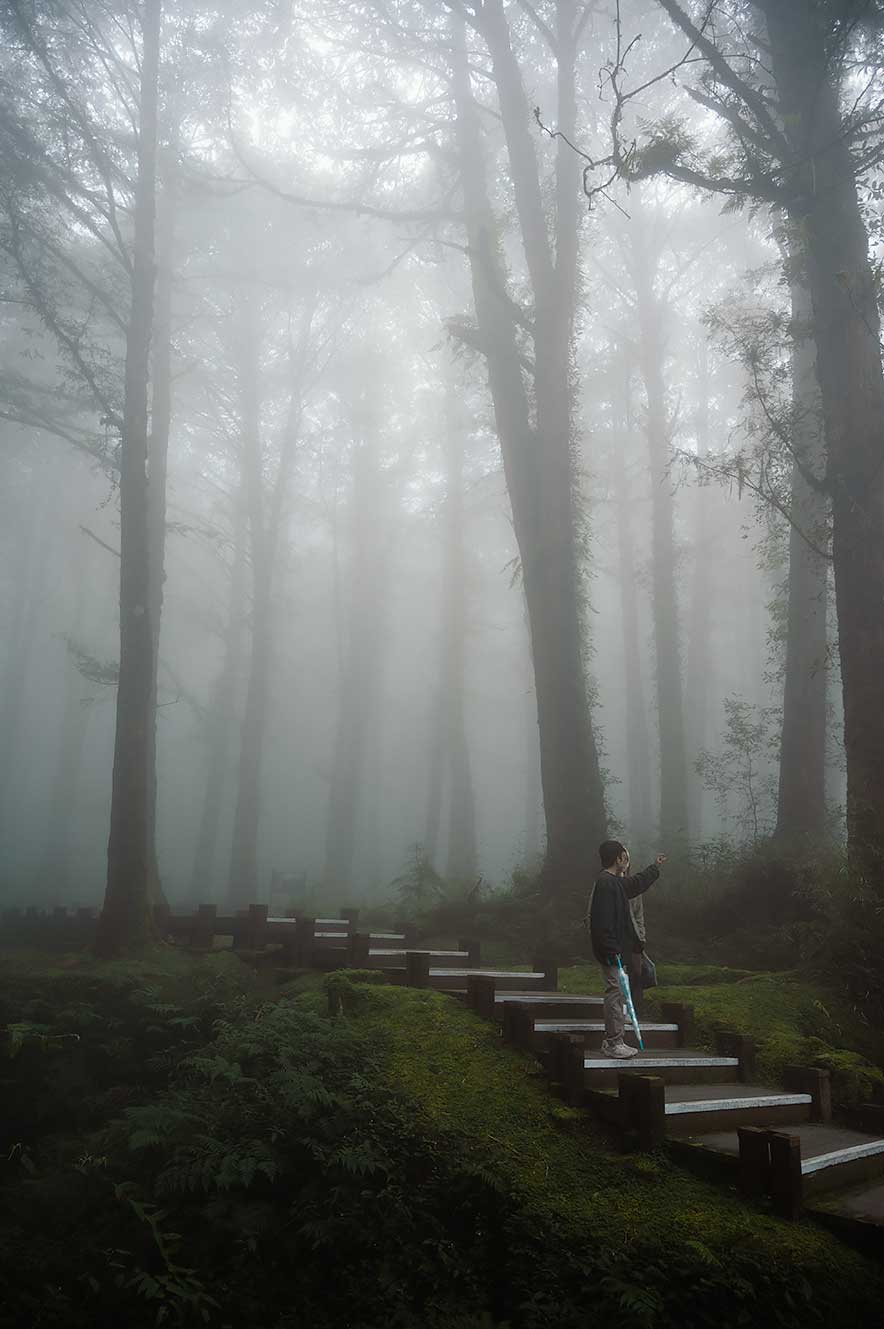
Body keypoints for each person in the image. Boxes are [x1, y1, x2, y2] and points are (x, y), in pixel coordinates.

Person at [586, 840, 666, 1059]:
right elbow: (600, 923)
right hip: (610, 951)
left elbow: (637, 883)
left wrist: (654, 867)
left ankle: (615, 1040)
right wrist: (611, 950)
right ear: (618, 858)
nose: (627, 861)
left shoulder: (615, 883)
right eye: (625, 857)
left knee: (620, 992)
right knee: (615, 993)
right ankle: (613, 1042)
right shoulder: (605, 883)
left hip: (616, 949)